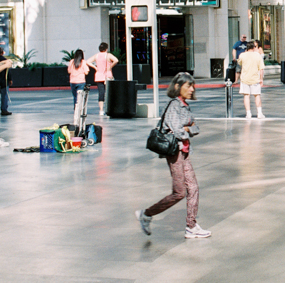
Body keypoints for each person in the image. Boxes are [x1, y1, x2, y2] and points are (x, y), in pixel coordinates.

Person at [136, 72, 211, 239]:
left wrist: (188, 128)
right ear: (178, 87)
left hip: (184, 152)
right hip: (175, 153)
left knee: (193, 188)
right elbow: (178, 131)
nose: (192, 89)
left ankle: (191, 226)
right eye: (188, 86)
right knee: (179, 192)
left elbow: (195, 127)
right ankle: (146, 214)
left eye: (193, 86)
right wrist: (187, 128)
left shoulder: (185, 105)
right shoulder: (174, 106)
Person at [87, 43, 119, 116]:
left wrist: (95, 67)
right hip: (107, 76)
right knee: (110, 92)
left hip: (99, 76)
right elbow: (116, 60)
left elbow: (88, 61)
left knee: (101, 93)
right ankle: (110, 108)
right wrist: (110, 66)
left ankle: (101, 110)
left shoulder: (96, 56)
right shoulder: (108, 55)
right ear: (106, 48)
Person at [239, 41, 265, 119]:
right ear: (254, 47)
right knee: (257, 95)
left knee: (246, 95)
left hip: (245, 78)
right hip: (255, 78)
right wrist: (261, 79)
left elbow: (240, 63)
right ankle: (259, 113)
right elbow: (261, 69)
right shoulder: (257, 56)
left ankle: (248, 113)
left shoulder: (242, 55)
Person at [0, 47, 12, 116]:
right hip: (4, 81)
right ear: (2, 52)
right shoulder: (5, 61)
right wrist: (10, 79)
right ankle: (4, 110)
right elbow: (8, 71)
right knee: (4, 96)